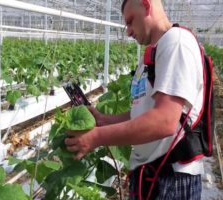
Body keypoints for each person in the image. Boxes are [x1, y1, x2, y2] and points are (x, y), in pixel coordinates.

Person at [65, 0, 204, 199]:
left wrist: (96, 137)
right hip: (150, 174)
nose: (128, 31)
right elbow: (142, 112)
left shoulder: (176, 43)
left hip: (170, 178)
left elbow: (164, 122)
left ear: (147, 5)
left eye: (130, 21)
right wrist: (105, 121)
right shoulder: (154, 52)